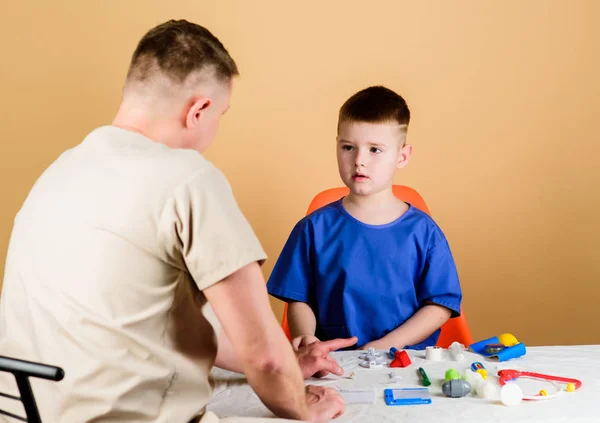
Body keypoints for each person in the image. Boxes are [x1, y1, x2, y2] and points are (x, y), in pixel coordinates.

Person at [0, 19, 356, 423]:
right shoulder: (188, 177)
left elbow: (148, 325)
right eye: (220, 114)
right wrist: (302, 403)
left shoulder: (58, 173)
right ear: (198, 110)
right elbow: (266, 359)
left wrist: (291, 364)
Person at [266, 86, 463, 352]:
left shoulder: (424, 232)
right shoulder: (313, 229)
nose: (359, 161)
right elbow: (300, 300)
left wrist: (386, 345)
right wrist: (308, 337)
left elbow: (439, 305)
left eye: (375, 150)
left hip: (403, 362)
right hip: (334, 364)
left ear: (401, 156)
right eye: (348, 147)